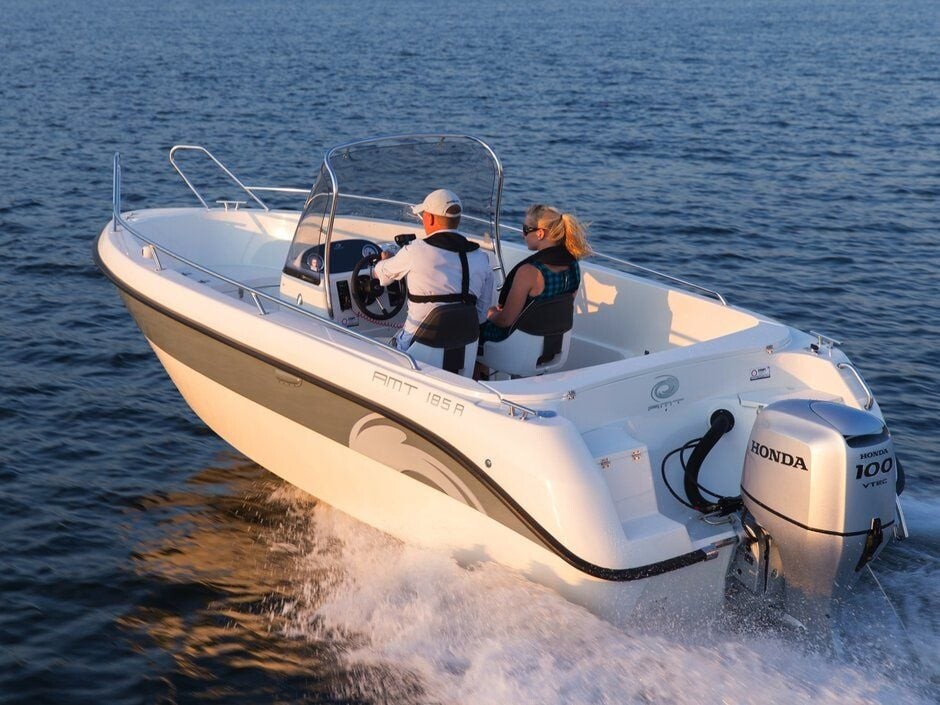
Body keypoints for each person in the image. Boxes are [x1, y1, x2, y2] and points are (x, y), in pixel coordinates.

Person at [373, 189, 493, 351]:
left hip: (415, 348)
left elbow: (382, 276)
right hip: (463, 349)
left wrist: (384, 259)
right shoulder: (482, 259)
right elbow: (481, 314)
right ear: (457, 219)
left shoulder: (414, 251)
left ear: (429, 218)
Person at [480, 203, 590, 344]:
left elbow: (505, 321)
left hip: (515, 342)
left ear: (540, 233)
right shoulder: (573, 266)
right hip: (553, 342)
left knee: (472, 326)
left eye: (526, 229)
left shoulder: (529, 272)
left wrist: (490, 313)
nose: (523, 234)